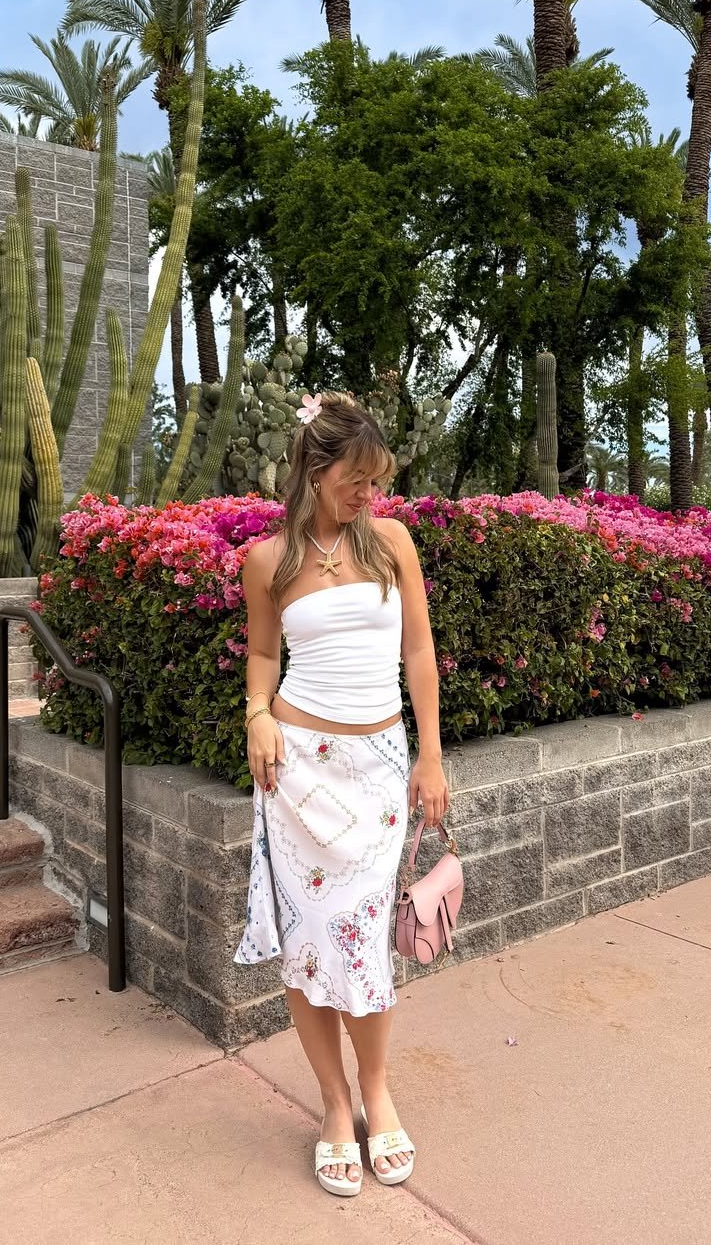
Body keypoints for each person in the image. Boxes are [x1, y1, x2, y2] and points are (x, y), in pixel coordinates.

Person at [233, 390, 450, 1198]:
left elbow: (419, 651)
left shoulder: (392, 543)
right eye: (356, 479)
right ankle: (333, 1104)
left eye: (377, 478)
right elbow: (263, 656)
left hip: (379, 769)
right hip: (297, 775)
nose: (370, 493)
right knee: (310, 941)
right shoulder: (267, 561)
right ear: (315, 471)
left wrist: (431, 755)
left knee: (361, 939)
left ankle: (377, 1090)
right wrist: (257, 713)